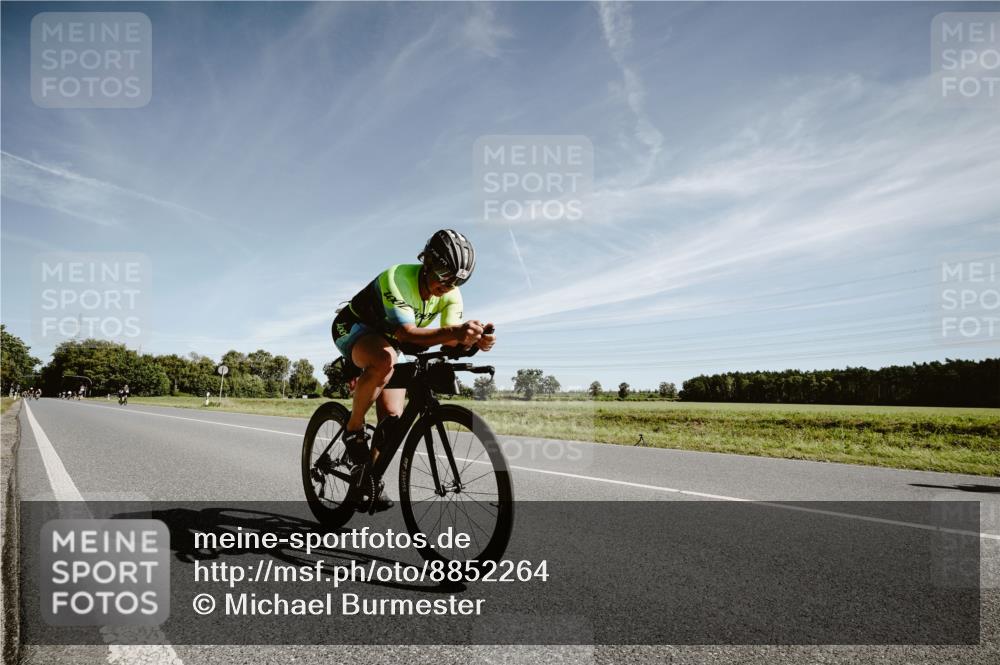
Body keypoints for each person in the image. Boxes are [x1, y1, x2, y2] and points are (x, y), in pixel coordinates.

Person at [330, 229, 495, 511]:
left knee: (392, 420)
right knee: (383, 361)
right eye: (446, 274)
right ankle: (353, 427)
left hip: (391, 342)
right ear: (428, 261)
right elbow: (407, 335)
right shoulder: (397, 278)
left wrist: (473, 342)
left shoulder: (451, 295)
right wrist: (454, 331)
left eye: (459, 280)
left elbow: (448, 341)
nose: (450, 284)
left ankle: (366, 478)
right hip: (355, 329)